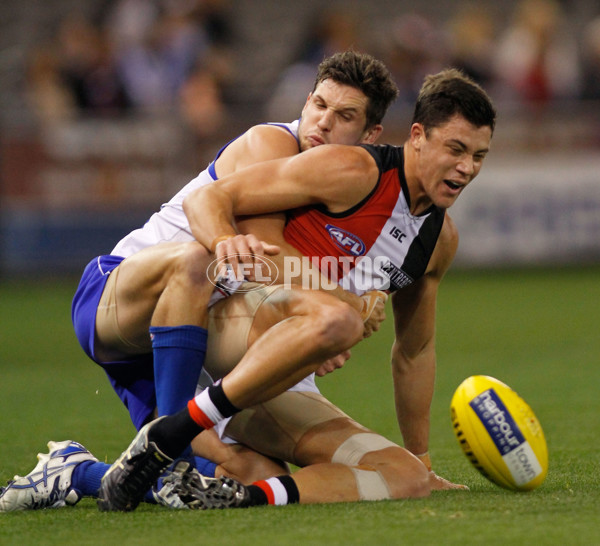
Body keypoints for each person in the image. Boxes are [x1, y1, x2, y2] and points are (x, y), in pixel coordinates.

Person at [0, 50, 398, 512]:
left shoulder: (335, 192)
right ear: (306, 101)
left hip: (186, 341)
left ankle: (77, 473)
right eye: (320, 105)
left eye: (344, 116)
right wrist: (340, 305)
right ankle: (170, 458)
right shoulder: (272, 145)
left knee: (253, 477)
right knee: (197, 260)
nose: (324, 123)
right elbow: (264, 263)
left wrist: (319, 328)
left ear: (370, 136)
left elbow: (274, 290)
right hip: (117, 297)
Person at [97, 67, 496, 511]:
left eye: (479, 157)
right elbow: (208, 201)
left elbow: (415, 352)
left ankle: (235, 496)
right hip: (195, 318)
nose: (466, 167)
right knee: (334, 316)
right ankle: (175, 432)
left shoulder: (439, 241)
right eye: (456, 149)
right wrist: (338, 306)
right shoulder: (349, 167)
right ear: (417, 135)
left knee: (404, 477)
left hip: (278, 365)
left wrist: (423, 460)